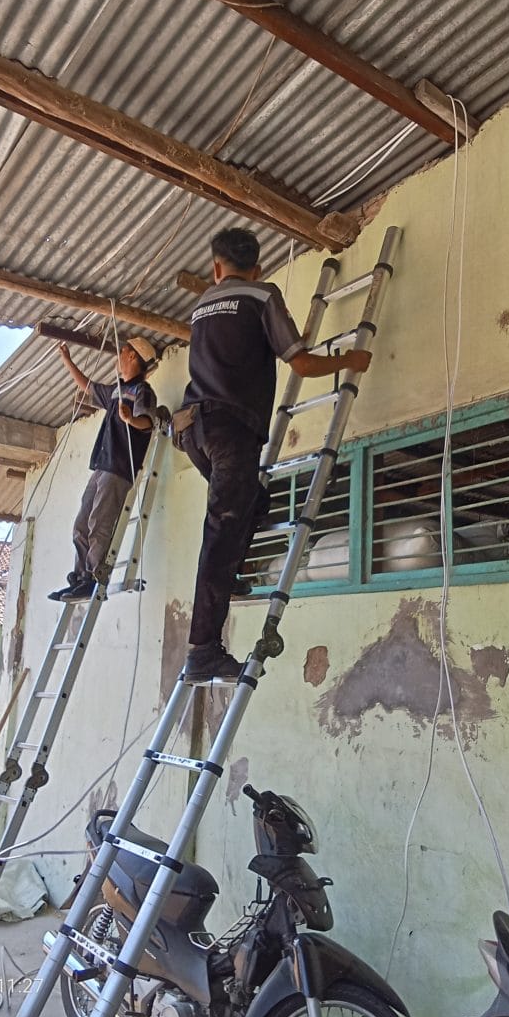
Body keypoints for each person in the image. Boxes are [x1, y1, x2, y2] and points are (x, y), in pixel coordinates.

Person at [178, 228, 372, 680]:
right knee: (222, 533)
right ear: (258, 268)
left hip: (193, 430)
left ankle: (232, 574)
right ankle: (202, 649)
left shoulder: (202, 305)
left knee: (254, 503)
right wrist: (350, 362)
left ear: (215, 267)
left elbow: (239, 350)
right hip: (231, 433)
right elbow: (301, 363)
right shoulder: (263, 295)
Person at [49, 337, 158, 603]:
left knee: (100, 521)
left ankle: (94, 576)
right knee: (82, 522)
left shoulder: (142, 391)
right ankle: (81, 578)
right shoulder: (115, 390)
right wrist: (67, 360)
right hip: (101, 465)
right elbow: (87, 386)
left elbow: (148, 422)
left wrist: (130, 418)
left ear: (134, 357)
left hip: (119, 467)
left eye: (123, 351)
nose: (118, 355)